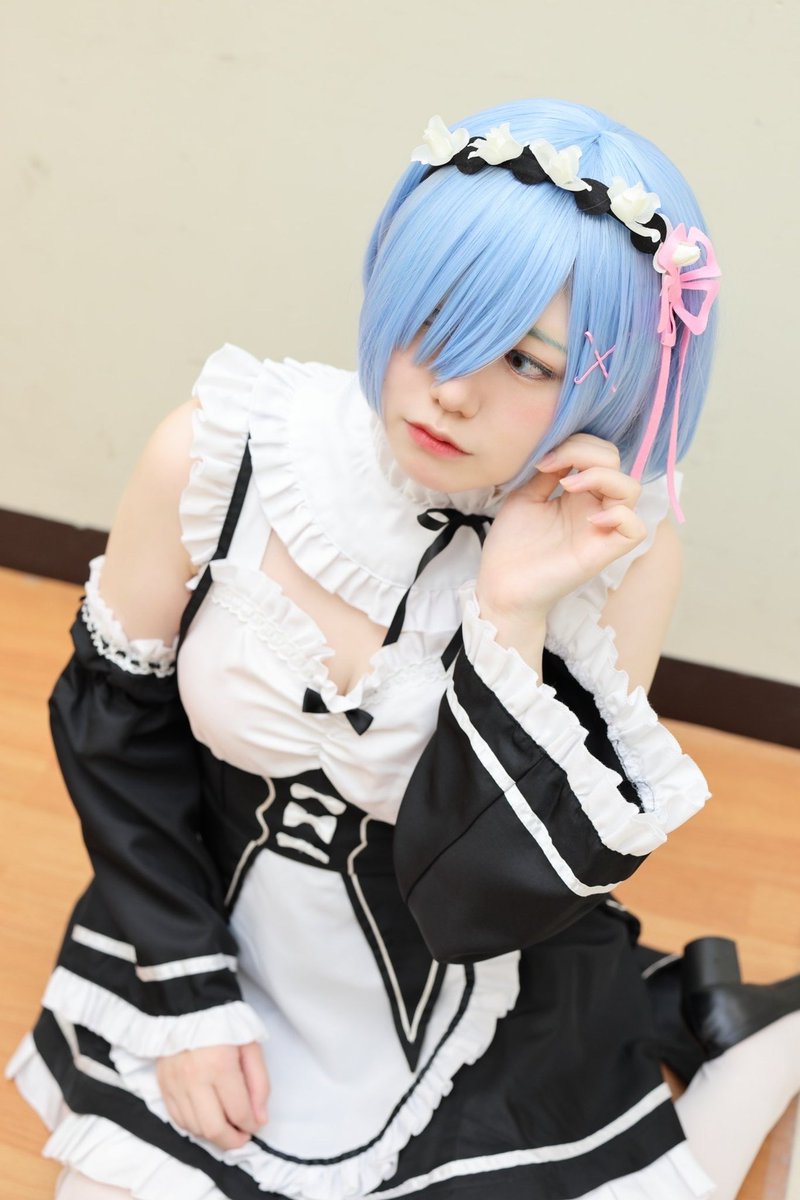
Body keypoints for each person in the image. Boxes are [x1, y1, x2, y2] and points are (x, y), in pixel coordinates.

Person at [7, 98, 800, 1200]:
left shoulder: (619, 555)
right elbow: (112, 733)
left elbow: (489, 897)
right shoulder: (226, 449)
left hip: (473, 972)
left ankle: (757, 1039)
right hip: (204, 920)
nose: (452, 389)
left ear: (609, 383)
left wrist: (511, 613)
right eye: (437, 316)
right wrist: (188, 996)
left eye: (527, 362)